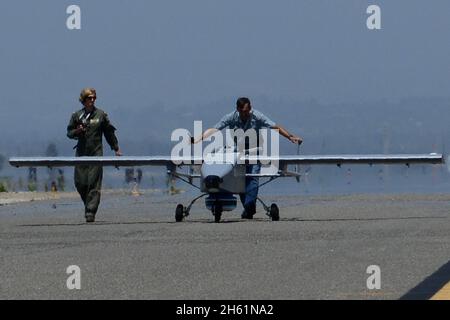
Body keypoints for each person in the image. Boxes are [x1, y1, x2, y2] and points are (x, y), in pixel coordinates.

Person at [193, 97, 302, 219]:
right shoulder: (231, 117)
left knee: (252, 178)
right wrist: (199, 138)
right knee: (239, 179)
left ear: (250, 108)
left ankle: (249, 206)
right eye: (242, 111)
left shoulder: (257, 116)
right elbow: (216, 128)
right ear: (237, 110)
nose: (245, 114)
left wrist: (290, 137)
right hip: (236, 151)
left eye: (247, 110)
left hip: (254, 151)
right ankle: (248, 208)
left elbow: (275, 126)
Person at [67, 88, 122, 222]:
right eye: (89, 98)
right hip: (81, 154)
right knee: (80, 182)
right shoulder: (76, 116)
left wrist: (116, 148)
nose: (92, 100)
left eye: (94, 98)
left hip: (96, 154)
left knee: (93, 183)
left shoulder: (100, 115)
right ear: (84, 100)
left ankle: (90, 212)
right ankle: (88, 204)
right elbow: (69, 133)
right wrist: (77, 131)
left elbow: (109, 132)